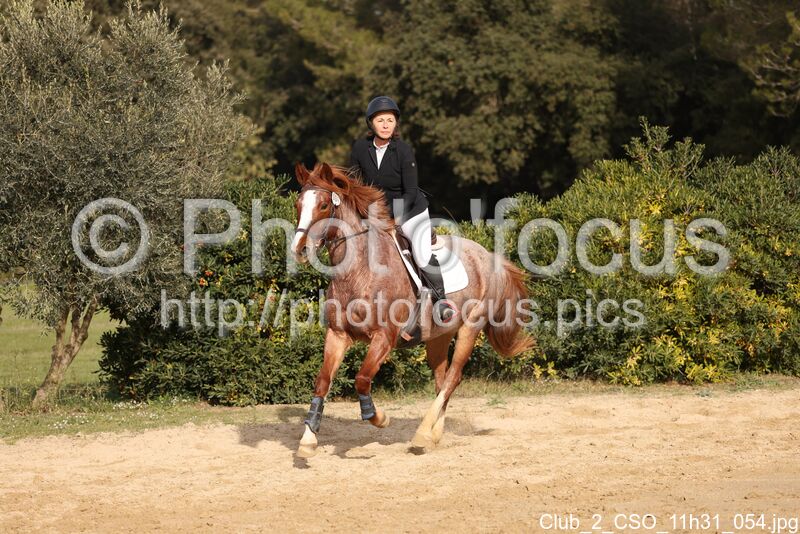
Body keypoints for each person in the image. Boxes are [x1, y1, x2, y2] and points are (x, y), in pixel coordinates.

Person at [349, 95, 456, 323]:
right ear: (371, 123)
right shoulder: (360, 149)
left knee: (421, 254)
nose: (386, 125)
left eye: (390, 120)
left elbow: (410, 191)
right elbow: (355, 186)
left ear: (396, 123)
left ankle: (441, 300)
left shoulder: (404, 151)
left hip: (409, 211)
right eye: (380, 120)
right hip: (375, 213)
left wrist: (394, 217)